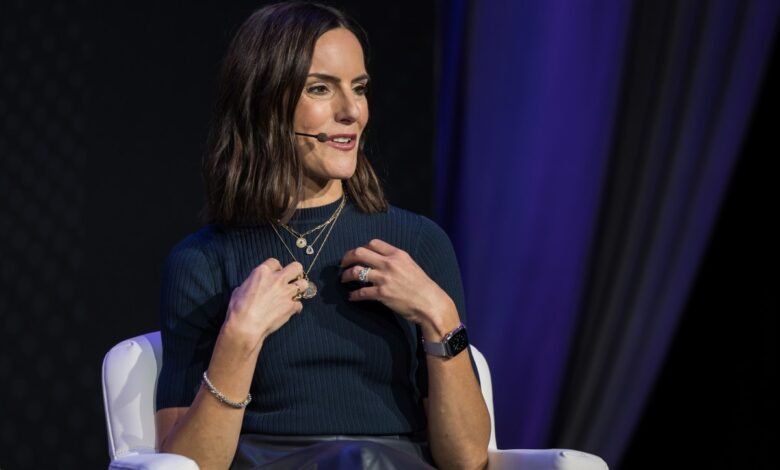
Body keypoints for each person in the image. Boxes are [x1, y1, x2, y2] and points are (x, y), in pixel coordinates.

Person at [154, 3, 490, 469]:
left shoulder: (418, 244)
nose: (352, 111)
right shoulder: (203, 262)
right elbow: (182, 465)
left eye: (359, 88)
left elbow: (469, 459)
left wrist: (439, 315)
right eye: (320, 89)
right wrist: (239, 339)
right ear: (265, 103)